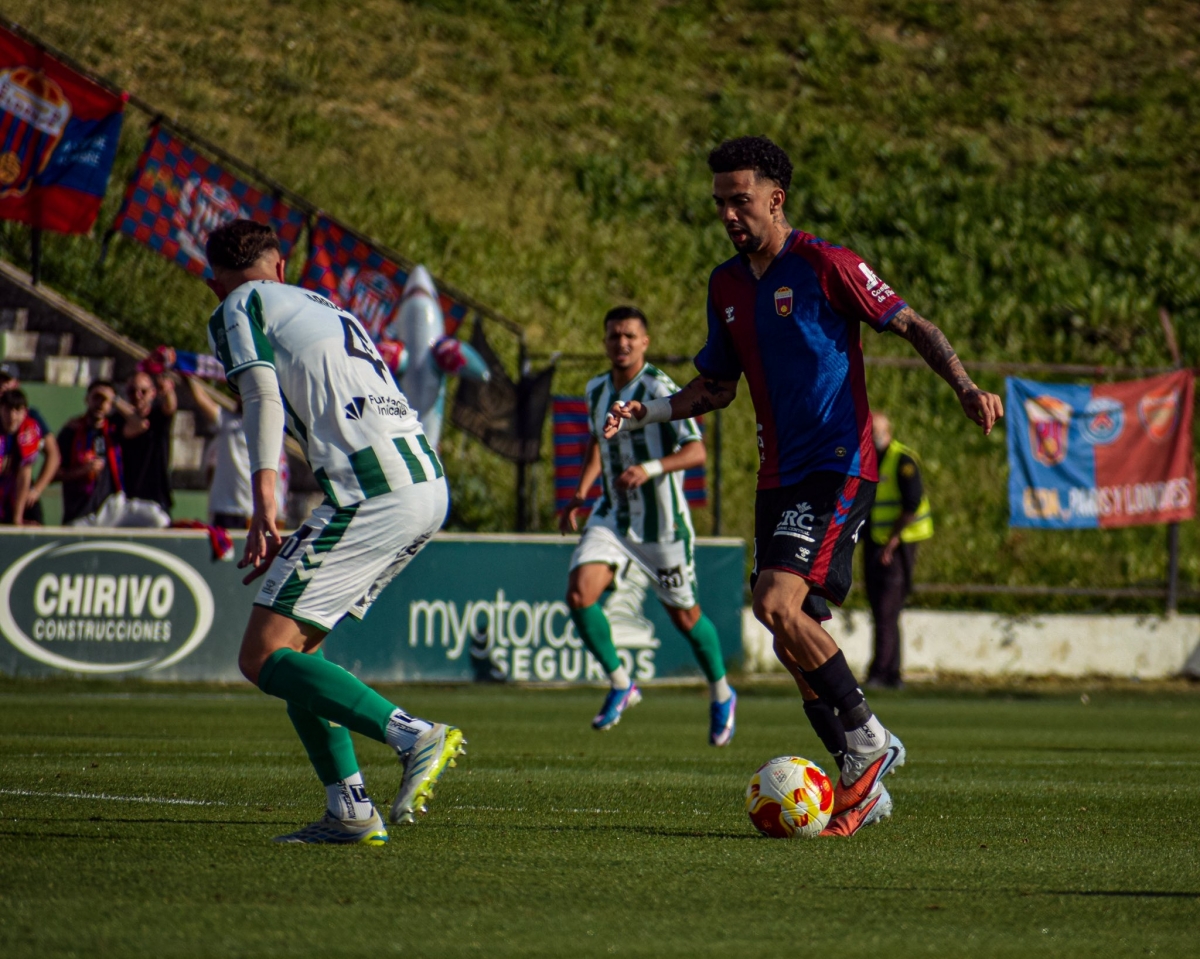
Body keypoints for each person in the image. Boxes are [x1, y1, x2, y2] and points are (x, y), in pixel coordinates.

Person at [605, 136, 1003, 837]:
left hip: (837, 465)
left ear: (775, 198)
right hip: (778, 474)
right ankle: (858, 768)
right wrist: (653, 409)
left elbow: (912, 323)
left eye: (741, 199)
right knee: (790, 630)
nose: (729, 213)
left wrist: (965, 386)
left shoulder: (825, 263)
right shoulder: (725, 286)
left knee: (776, 601)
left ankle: (870, 742)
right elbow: (718, 386)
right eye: (720, 202)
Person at [204, 218, 464, 846]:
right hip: (421, 480)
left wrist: (263, 497)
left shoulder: (240, 305)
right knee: (299, 651)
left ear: (214, 280)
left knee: (262, 655)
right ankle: (348, 810)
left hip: (374, 491)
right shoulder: (321, 304)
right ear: (281, 266)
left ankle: (412, 734)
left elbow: (260, 393)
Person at [559, 306, 737, 745]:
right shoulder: (596, 388)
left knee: (685, 617)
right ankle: (622, 684)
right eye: (614, 335)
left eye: (630, 336)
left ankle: (721, 692)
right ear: (605, 342)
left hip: (661, 527)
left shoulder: (659, 387)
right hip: (613, 516)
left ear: (645, 342)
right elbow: (598, 442)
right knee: (580, 595)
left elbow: (696, 451)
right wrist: (581, 494)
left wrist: (651, 468)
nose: (621, 343)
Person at [864, 413, 933, 689]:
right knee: (883, 611)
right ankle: (891, 673)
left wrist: (892, 541)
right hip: (876, 542)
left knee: (886, 608)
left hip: (897, 544)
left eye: (876, 431)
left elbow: (912, 503)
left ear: (888, 431)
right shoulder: (869, 460)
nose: (872, 436)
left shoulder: (902, 460)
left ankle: (880, 673)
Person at [57, 380, 169, 528]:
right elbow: (55, 474)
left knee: (158, 520)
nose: (100, 403)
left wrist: (115, 399)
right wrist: (82, 471)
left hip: (115, 506)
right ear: (87, 399)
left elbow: (141, 425)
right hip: (83, 511)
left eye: (105, 400)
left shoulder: (114, 429)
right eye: (96, 397)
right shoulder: (72, 431)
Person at [186, 375, 288, 529]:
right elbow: (200, 397)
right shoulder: (227, 421)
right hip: (229, 511)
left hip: (268, 512)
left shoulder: (278, 421)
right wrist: (186, 370)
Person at [113, 369, 177, 516]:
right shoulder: (118, 420)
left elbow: (170, 406)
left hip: (156, 497)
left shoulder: (158, 416)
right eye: (131, 391)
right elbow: (136, 426)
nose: (137, 395)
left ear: (153, 392)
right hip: (126, 498)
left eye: (143, 391)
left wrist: (167, 391)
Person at [0, 371, 61, 523]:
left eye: (7, 382)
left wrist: (36, 490)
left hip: (19, 491)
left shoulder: (30, 421)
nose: (3, 386)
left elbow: (52, 455)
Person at [0, 389, 38, 524]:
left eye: (17, 410)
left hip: (12, 493)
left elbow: (25, 474)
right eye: (7, 410)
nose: (12, 416)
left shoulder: (29, 430)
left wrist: (17, 519)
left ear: (24, 412)